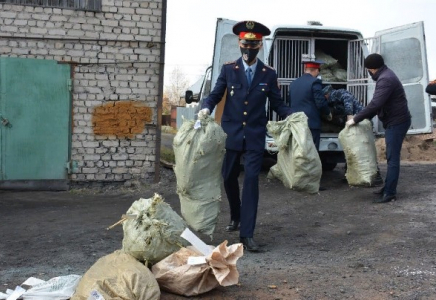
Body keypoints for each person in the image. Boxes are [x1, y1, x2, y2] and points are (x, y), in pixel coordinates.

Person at [198, 20, 293, 252]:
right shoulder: (229, 69)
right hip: (231, 133)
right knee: (228, 176)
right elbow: (215, 94)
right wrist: (206, 108)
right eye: (245, 44)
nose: (249, 49)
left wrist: (293, 117)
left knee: (251, 181)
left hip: (254, 135)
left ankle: (247, 233)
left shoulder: (268, 74)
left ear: (260, 46)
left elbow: (278, 103)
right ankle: (236, 214)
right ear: (240, 44)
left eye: (253, 45)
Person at [346, 53, 411, 203]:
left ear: (372, 69)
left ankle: (390, 193)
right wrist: (363, 118)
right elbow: (377, 105)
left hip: (397, 122)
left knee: (392, 158)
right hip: (395, 121)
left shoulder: (385, 79)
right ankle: (387, 188)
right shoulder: (385, 75)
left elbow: (376, 104)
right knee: (390, 157)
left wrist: (355, 119)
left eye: (368, 70)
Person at [322, 85, 383, 185]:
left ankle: (376, 177)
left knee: (364, 150)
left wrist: (349, 116)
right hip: (357, 122)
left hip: (360, 121)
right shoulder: (331, 102)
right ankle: (351, 175)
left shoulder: (336, 93)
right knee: (352, 150)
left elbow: (347, 98)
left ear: (326, 95)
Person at [288, 60, 332, 150]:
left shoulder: (293, 83)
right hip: (311, 124)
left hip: (296, 124)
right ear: (316, 70)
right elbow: (320, 103)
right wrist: (328, 113)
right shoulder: (315, 82)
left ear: (305, 69)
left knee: (298, 151)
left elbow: (291, 102)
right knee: (311, 152)